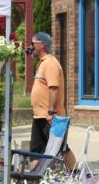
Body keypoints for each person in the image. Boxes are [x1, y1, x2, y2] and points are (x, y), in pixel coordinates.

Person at [28, 32, 75, 169]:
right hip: (39, 115)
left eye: (33, 43)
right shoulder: (42, 63)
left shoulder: (51, 64)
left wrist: (51, 112)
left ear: (42, 45)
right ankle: (34, 180)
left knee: (61, 147)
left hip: (50, 116)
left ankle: (75, 173)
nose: (31, 47)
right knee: (36, 150)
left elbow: (53, 88)